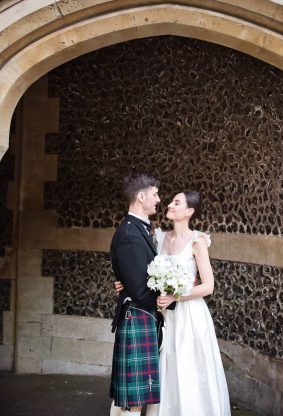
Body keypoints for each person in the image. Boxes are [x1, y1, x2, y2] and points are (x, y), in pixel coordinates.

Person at [118, 191, 232, 416]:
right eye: (170, 201)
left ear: (189, 212)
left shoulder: (197, 241)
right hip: (162, 314)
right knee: (163, 367)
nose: (169, 204)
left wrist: (175, 296)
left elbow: (208, 286)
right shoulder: (159, 237)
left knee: (188, 368)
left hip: (189, 316)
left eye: (176, 202)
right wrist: (125, 285)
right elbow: (144, 274)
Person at [109, 173, 167, 416]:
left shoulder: (139, 229)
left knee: (138, 395)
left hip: (143, 315)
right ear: (140, 197)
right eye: (154, 195)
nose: (158, 200)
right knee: (133, 400)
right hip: (138, 315)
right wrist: (168, 299)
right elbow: (138, 288)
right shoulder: (130, 235)